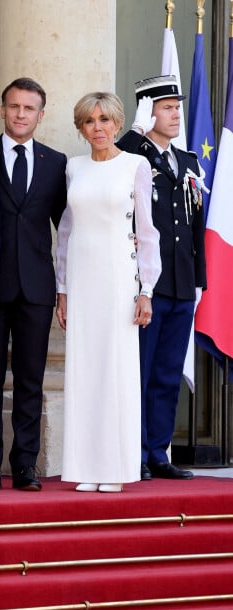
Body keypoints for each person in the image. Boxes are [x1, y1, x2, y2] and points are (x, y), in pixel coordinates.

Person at [56, 92, 161, 492]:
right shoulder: (74, 167)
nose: (97, 127)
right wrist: (62, 289)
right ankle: (86, 467)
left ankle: (115, 469)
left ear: (118, 124)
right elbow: (65, 232)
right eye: (89, 121)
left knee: (115, 370)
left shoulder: (136, 165)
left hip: (119, 277)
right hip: (81, 280)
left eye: (104, 120)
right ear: (81, 128)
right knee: (83, 370)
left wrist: (146, 289)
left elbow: (148, 234)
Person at [0, 78, 67, 491]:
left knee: (30, 380)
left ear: (41, 115)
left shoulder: (55, 161)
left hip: (37, 288)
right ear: (3, 110)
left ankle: (25, 465)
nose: (20, 114)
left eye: (29, 108)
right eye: (14, 107)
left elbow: (67, 228)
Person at [118, 75, 207, 480]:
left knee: (168, 372)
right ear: (146, 111)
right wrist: (136, 131)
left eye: (177, 107)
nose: (176, 115)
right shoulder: (132, 155)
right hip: (145, 287)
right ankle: (133, 451)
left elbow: (195, 225)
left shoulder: (186, 161)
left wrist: (199, 280)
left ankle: (157, 451)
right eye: (167, 107)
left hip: (181, 283)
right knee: (141, 369)